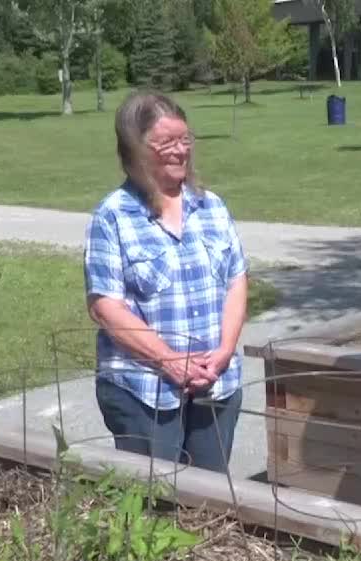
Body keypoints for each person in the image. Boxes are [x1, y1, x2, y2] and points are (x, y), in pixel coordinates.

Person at [84, 90, 248, 473]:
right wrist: (172, 361)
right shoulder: (114, 216)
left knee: (208, 501)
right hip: (144, 391)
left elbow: (237, 279)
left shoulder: (212, 207)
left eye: (185, 140)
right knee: (153, 505)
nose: (180, 151)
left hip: (216, 384)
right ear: (135, 149)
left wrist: (224, 350)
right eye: (166, 143)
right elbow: (104, 306)